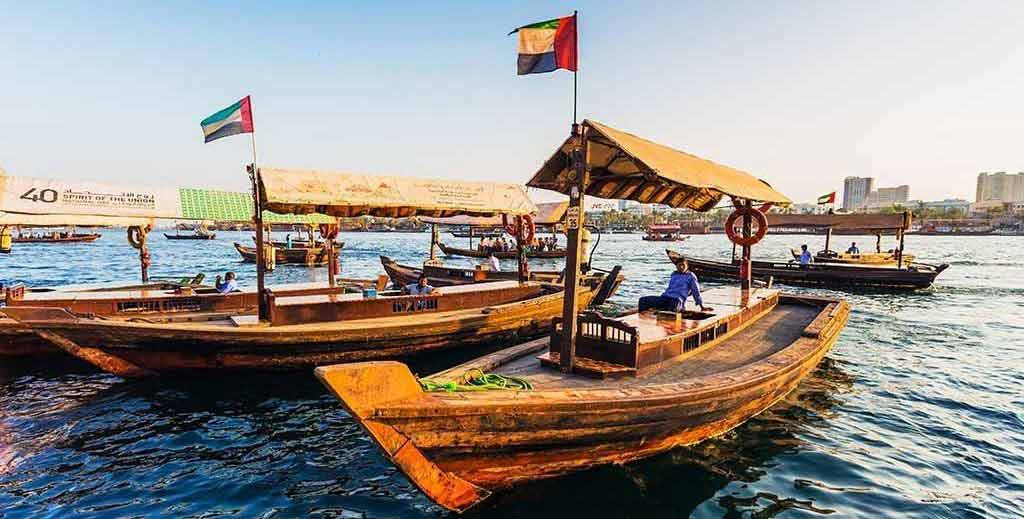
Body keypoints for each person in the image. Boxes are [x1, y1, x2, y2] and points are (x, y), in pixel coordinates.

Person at [638, 259, 705, 313]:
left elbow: (695, 291)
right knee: (643, 300)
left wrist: (701, 306)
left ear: (687, 266)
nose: (681, 267)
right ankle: (643, 318)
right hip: (665, 298)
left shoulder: (690, 276)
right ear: (676, 266)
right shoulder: (674, 274)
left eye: (683, 265)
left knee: (673, 306)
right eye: (679, 265)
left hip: (677, 301)